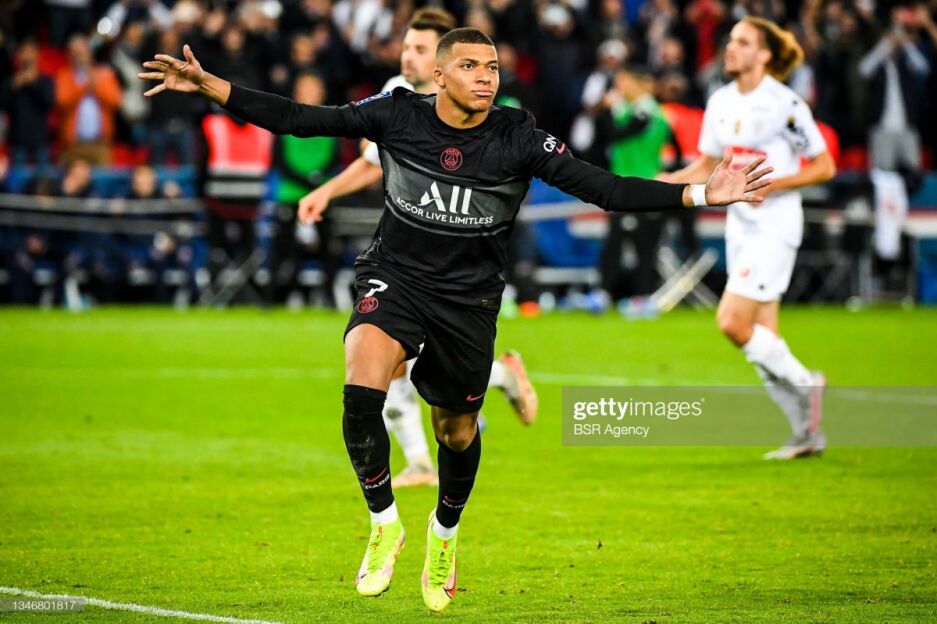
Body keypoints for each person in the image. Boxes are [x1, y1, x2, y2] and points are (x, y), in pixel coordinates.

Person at [139, 27, 769, 612]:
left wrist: (700, 194)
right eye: (470, 66)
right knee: (362, 384)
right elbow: (303, 120)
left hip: (468, 301)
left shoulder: (519, 136)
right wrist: (211, 85)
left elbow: (604, 188)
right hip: (396, 277)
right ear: (438, 76)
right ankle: (384, 524)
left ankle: (443, 533)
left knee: (457, 433)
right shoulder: (396, 114)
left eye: (492, 67)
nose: (485, 77)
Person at [296, 7, 540, 489]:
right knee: (388, 365)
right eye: (406, 46)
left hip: (463, 262)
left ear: (444, 62)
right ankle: (424, 458)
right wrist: (328, 190)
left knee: (426, 371)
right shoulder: (397, 97)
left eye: (420, 48)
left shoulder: (482, 109)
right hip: (405, 259)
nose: (408, 56)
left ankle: (492, 381)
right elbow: (372, 161)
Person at [661, 17, 836, 460]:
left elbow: (824, 166)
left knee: (732, 323)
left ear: (764, 54)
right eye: (731, 40)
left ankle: (807, 384)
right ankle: (806, 434)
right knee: (763, 340)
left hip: (775, 226)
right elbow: (706, 165)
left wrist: (773, 186)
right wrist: (663, 182)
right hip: (739, 225)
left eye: (742, 42)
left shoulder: (784, 103)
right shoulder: (720, 100)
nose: (730, 48)